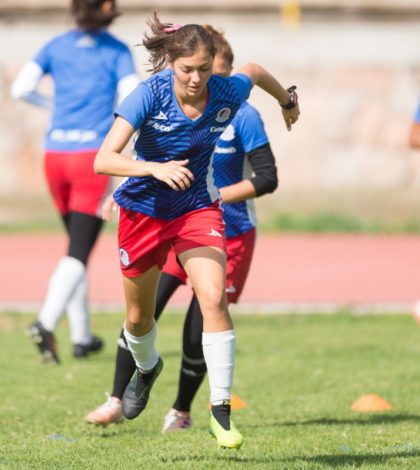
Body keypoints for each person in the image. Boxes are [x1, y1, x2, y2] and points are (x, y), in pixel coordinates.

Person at [93, 12, 299, 449]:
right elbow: (103, 159)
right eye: (187, 70)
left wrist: (287, 101)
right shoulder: (145, 95)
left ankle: (219, 411)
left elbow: (256, 72)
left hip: (196, 211)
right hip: (142, 213)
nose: (196, 78)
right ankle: (148, 368)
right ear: (170, 62)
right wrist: (152, 167)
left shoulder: (226, 90)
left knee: (211, 297)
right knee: (138, 319)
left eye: (204, 69)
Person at [10, 0, 139, 364]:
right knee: (78, 252)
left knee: (74, 248)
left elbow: (21, 88)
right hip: (90, 159)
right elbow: (132, 96)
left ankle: (81, 337)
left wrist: (54, 107)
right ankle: (45, 323)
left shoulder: (56, 45)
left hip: (55, 155)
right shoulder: (116, 50)